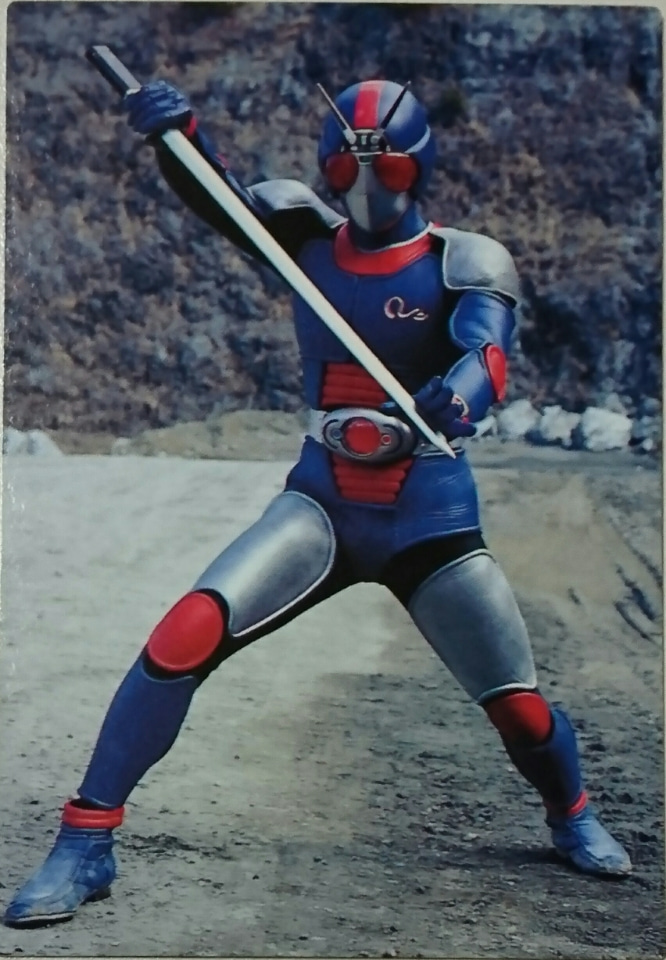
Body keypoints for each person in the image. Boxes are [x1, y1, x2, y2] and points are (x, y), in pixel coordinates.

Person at [4, 76, 631, 928]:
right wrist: (173, 135)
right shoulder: (301, 237)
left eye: (386, 166)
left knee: (518, 705)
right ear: (329, 165)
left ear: (418, 165)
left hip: (429, 518)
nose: (366, 183)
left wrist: (458, 395)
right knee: (185, 633)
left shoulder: (465, 260)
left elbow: (486, 353)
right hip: (323, 505)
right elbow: (219, 196)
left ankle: (572, 811)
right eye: (349, 165)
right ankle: (86, 838)